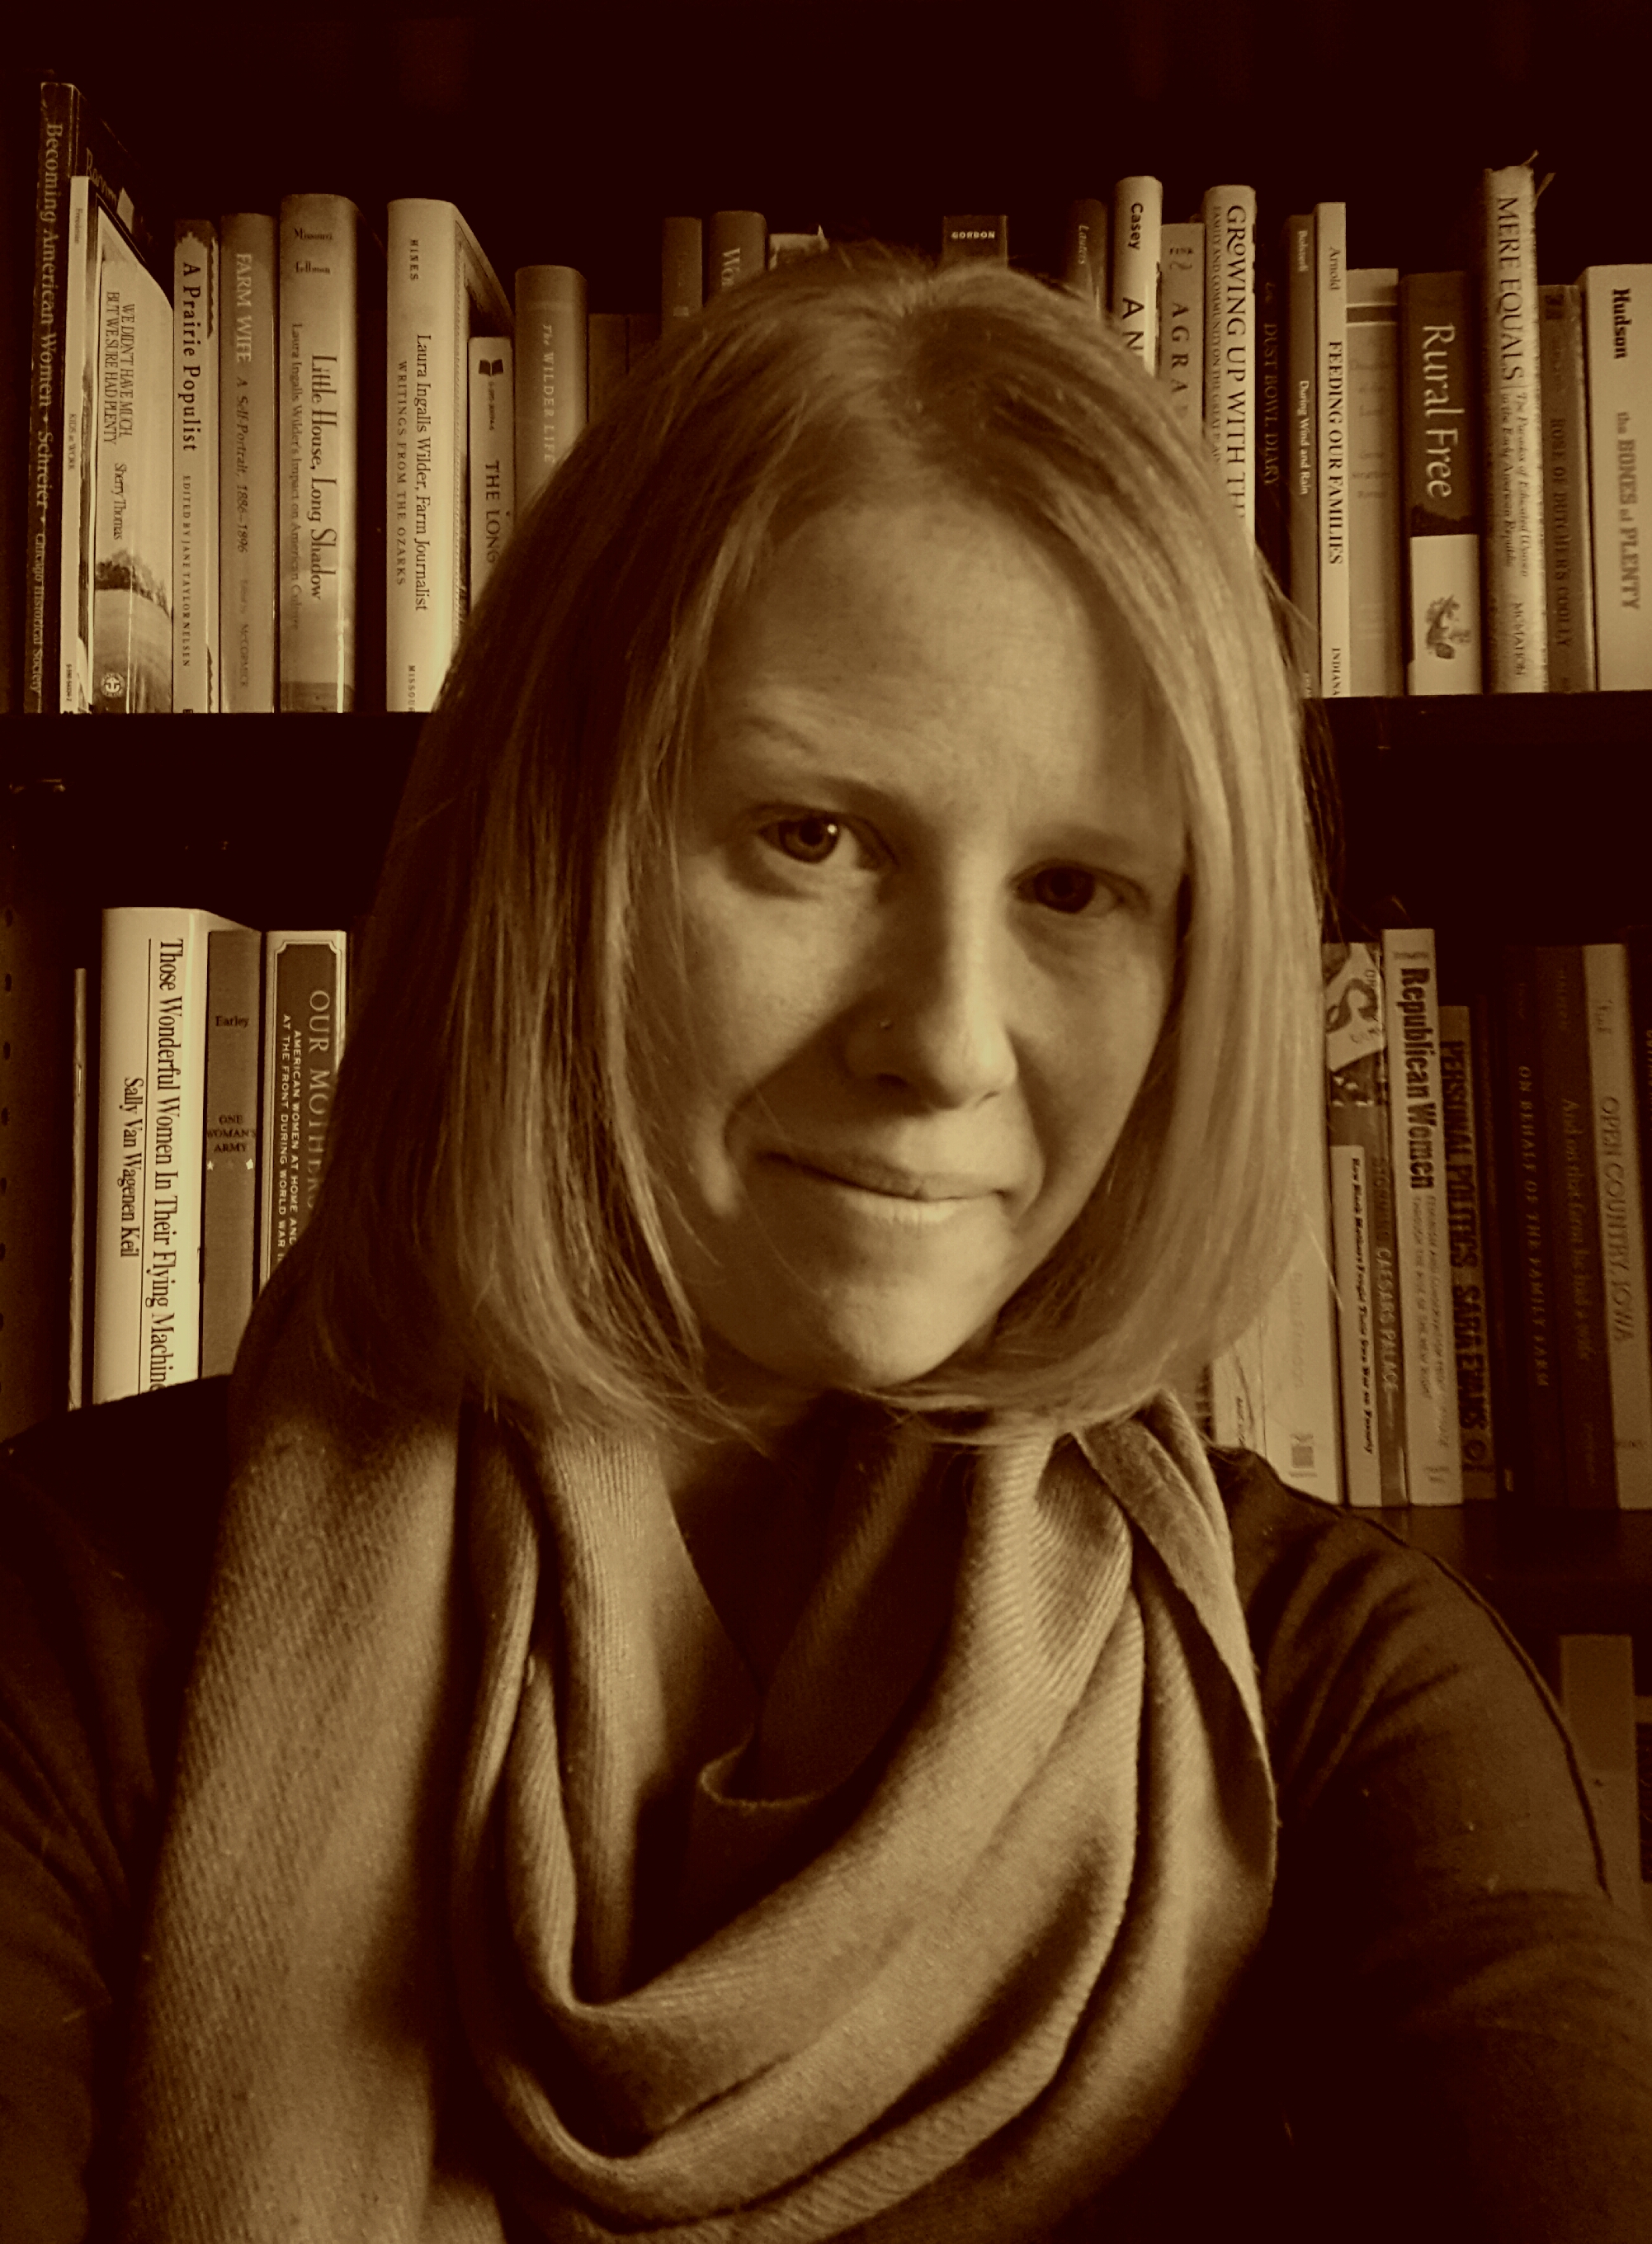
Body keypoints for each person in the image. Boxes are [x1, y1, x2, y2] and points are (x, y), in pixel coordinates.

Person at [2, 248, 1650, 2244]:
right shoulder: (72, 1620)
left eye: (1073, 888)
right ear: (544, 865)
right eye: (811, 839)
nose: (944, 1043)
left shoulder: (1340, 1696)